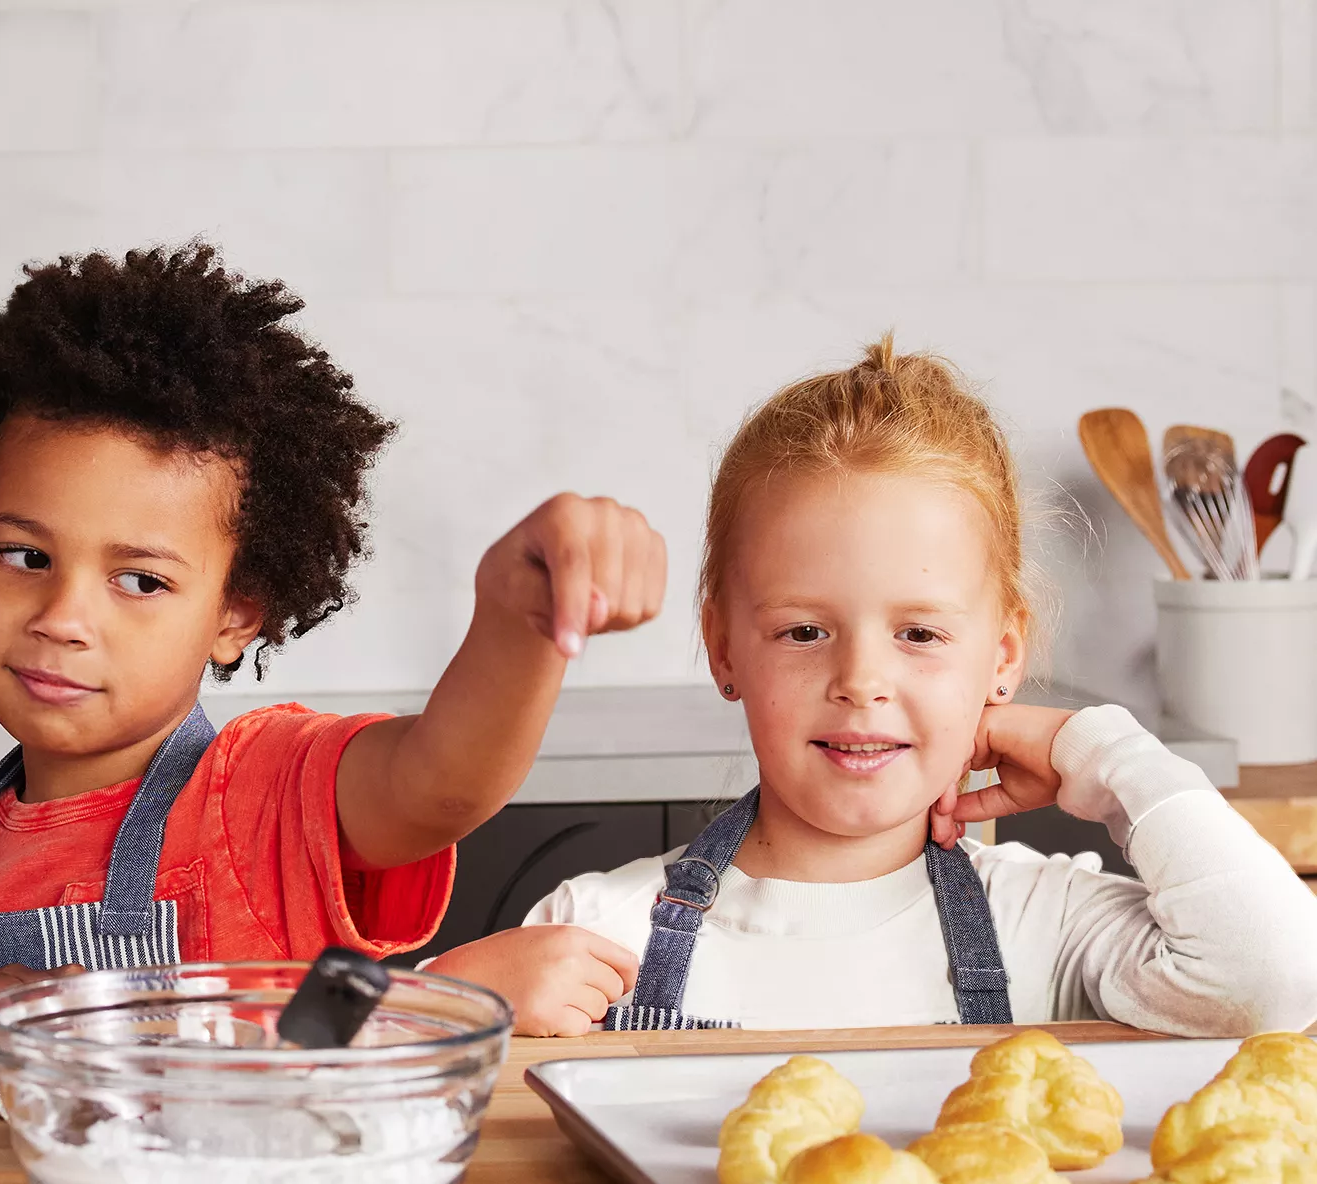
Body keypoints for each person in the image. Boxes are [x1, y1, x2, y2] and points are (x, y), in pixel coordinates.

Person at [0, 244, 665, 1045]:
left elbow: (436, 786)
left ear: (235, 617)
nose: (62, 616)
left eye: (140, 580)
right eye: (25, 557)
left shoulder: (261, 794)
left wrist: (514, 618)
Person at [430, 338, 1317, 1036]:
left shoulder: (1046, 921)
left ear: (1003, 658)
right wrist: (446, 1004)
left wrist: (1099, 747)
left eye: (920, 635)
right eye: (805, 631)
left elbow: (1274, 974)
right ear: (723, 648)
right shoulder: (596, 927)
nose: (860, 682)